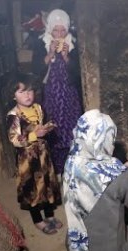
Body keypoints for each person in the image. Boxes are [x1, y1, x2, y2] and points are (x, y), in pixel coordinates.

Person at [63, 109, 128, 251]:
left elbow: (96, 176)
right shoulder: (119, 175)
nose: (113, 145)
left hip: (78, 245)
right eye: (111, 138)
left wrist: (125, 167)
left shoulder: (71, 163)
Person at [6, 74, 63, 235]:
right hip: (28, 158)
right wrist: (33, 136)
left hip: (44, 154)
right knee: (32, 188)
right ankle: (38, 220)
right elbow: (14, 139)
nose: (27, 95)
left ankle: (50, 215)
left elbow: (40, 127)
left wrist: (47, 128)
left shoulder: (38, 108)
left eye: (30, 91)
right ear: (13, 95)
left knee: (47, 184)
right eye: (22, 92)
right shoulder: (14, 115)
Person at [41, 9, 83, 178]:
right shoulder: (41, 44)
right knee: (54, 129)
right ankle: (58, 170)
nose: (59, 34)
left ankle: (74, 168)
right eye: (55, 30)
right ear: (50, 30)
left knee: (72, 128)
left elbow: (79, 74)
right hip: (52, 95)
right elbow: (36, 70)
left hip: (69, 95)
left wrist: (66, 57)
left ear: (67, 30)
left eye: (63, 30)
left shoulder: (74, 45)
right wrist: (50, 53)